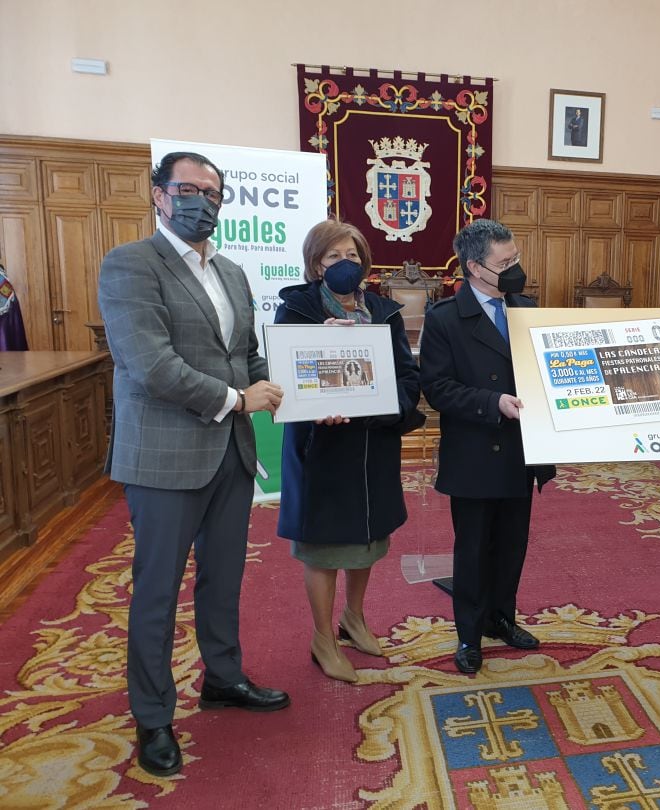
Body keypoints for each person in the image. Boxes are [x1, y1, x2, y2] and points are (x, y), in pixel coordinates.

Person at [97, 152, 289, 778]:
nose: (201, 201)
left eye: (213, 192)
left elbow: (247, 355)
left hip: (231, 453)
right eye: (188, 189)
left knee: (223, 577)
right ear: (159, 194)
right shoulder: (131, 264)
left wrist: (304, 390)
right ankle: (153, 717)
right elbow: (152, 366)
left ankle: (223, 679)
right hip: (164, 457)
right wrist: (238, 400)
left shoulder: (232, 271)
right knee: (157, 591)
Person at [275, 219, 420, 683]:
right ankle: (322, 637)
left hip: (371, 442)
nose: (345, 264)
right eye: (334, 256)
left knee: (367, 538)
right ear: (317, 263)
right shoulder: (296, 310)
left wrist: (388, 406)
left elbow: (406, 376)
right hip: (321, 446)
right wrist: (324, 349)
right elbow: (286, 375)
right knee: (323, 544)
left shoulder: (384, 311)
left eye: (353, 256)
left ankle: (354, 618)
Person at [419, 219, 556, 675]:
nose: (516, 269)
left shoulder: (528, 309)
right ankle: (469, 635)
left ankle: (503, 618)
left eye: (516, 259)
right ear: (475, 268)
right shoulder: (444, 319)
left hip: (521, 450)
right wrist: (491, 402)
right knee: (473, 549)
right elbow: (438, 389)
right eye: (506, 263)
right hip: (477, 451)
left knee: (512, 544)